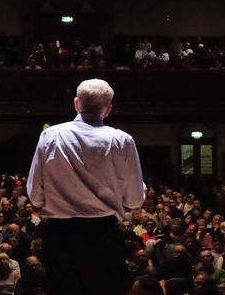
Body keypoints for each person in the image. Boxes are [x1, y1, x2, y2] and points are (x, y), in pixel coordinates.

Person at [27, 79, 145, 295]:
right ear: (108, 109)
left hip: (60, 235)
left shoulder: (50, 135)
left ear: (76, 104)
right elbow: (135, 200)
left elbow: (35, 195)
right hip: (103, 235)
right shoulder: (122, 140)